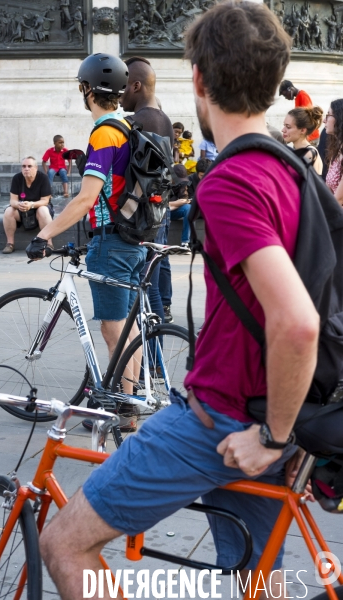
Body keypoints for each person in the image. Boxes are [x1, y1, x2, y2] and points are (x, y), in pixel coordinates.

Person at [39, 4, 320, 599]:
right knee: (251, 583)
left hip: (222, 419)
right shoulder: (292, 170)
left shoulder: (234, 180)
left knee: (62, 543)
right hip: (272, 410)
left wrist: (273, 434)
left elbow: (298, 322)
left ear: (198, 79)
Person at [26, 54, 146, 431]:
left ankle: (123, 408)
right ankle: (130, 400)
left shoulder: (104, 133)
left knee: (113, 329)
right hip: (134, 238)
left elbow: (85, 198)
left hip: (112, 242)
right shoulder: (126, 126)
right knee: (129, 327)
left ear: (86, 90)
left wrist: (44, 235)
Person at [121, 55, 174, 325]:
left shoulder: (136, 121)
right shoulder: (164, 120)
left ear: (136, 86)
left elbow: (137, 175)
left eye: (123, 86)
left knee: (142, 289)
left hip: (140, 219)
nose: (119, 96)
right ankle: (154, 363)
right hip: (158, 213)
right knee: (149, 287)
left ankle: (153, 362)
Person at [2, 157, 53, 254]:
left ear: (36, 168)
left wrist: (32, 204)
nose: (26, 169)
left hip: (39, 209)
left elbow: (45, 201)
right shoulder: (17, 178)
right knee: (9, 211)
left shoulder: (43, 178)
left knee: (43, 209)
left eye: (29, 166)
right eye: (24, 166)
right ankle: (10, 244)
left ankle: (49, 243)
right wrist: (19, 205)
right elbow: (13, 201)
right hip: (22, 210)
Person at [282, 106, 324, 174]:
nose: (283, 130)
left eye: (288, 127)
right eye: (284, 125)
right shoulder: (302, 150)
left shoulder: (308, 153)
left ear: (302, 130)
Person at [279, 79, 320, 146]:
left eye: (285, 94)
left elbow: (306, 118)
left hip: (310, 137)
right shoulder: (298, 97)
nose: (286, 97)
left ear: (290, 89)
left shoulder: (303, 96)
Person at [324, 99, 343, 205]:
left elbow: (339, 199)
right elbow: (328, 190)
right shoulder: (337, 149)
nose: (324, 120)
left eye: (328, 115)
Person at [169, 163, 191, 251]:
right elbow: (161, 204)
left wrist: (171, 205)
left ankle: (185, 243)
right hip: (160, 211)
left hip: (171, 210)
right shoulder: (164, 182)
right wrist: (176, 203)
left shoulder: (183, 183)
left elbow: (184, 201)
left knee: (188, 208)